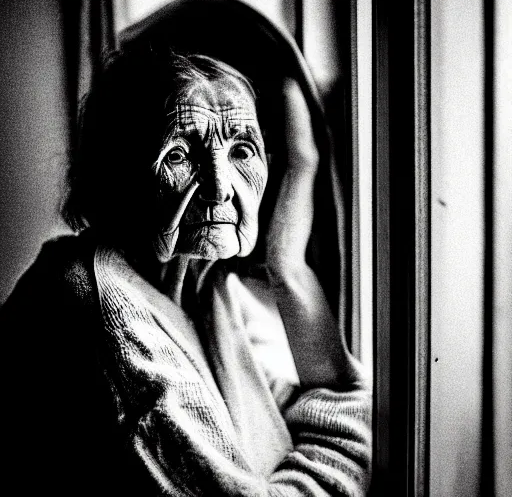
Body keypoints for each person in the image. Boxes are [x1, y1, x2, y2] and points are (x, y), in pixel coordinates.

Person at [2, 50, 371, 496]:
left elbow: (287, 414)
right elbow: (339, 413)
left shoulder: (199, 285)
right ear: (117, 173)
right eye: (179, 154)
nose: (220, 188)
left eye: (242, 150)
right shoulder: (105, 320)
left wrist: (288, 266)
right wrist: (354, 427)